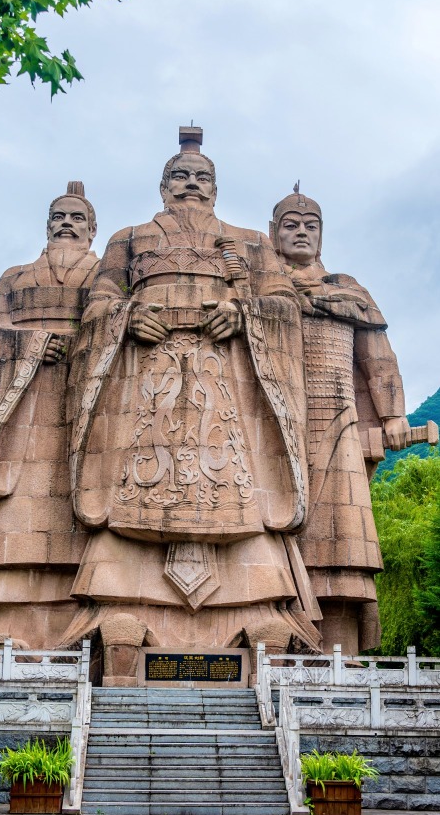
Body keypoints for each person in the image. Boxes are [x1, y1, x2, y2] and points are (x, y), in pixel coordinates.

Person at [64, 130, 321, 684]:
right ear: (162, 186)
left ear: (215, 188)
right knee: (139, 479)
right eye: (180, 176)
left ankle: (255, 612)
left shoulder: (249, 242)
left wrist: (244, 314)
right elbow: (98, 303)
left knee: (235, 487)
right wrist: (126, 317)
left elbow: (284, 304)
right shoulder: (129, 239)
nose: (191, 184)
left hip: (224, 385)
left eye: (202, 177)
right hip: (147, 385)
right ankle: (123, 613)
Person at [270, 188, 411, 653]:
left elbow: (378, 359)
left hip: (337, 419)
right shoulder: (260, 290)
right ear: (273, 233)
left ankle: (338, 653)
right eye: (291, 225)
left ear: (322, 235)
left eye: (310, 226)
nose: (301, 232)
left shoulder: (347, 291)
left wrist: (393, 415)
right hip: (272, 424)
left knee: (340, 543)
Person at [0, 182, 99, 649]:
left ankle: (78, 619)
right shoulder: (15, 277)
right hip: (20, 406)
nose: (67, 224)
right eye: (59, 216)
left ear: (92, 229)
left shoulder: (104, 274)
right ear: (47, 225)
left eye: (77, 218)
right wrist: (33, 345)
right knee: (16, 506)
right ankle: (7, 619)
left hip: (84, 402)